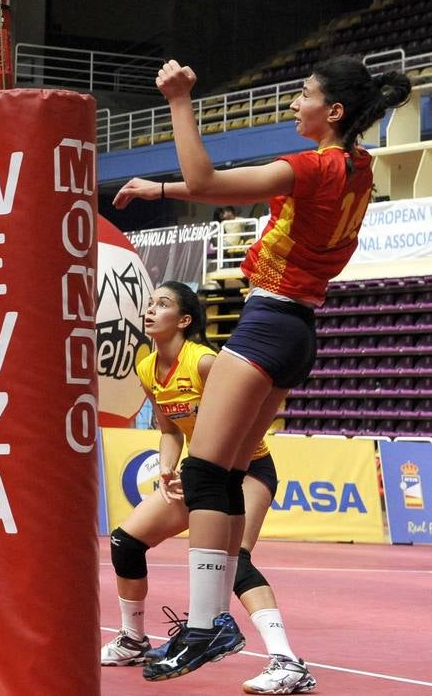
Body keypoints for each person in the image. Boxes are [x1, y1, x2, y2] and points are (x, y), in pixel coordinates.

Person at [114, 56, 410, 682]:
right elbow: (211, 189)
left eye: (303, 95)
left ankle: (206, 625)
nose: (293, 104)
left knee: (203, 475)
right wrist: (159, 190)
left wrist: (179, 99)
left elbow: (202, 177)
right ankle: (216, 624)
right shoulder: (359, 167)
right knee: (222, 474)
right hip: (299, 329)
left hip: (270, 323)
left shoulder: (314, 166)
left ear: (332, 111)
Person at [100, 281, 316, 695]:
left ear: (184, 320)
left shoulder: (205, 362)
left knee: (238, 563)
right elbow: (168, 430)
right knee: (125, 542)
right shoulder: (146, 368)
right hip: (198, 473)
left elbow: (249, 412)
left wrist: (201, 465)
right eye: (148, 304)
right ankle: (133, 639)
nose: (149, 311)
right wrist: (166, 469)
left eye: (162, 305)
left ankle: (287, 663)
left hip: (247, 468)